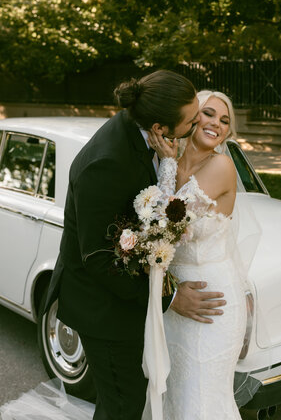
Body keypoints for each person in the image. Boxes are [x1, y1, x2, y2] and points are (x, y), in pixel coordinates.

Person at [0, 71, 227, 420]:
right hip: (103, 309)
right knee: (124, 405)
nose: (199, 124)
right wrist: (171, 297)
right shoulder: (107, 163)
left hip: (126, 302)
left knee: (120, 403)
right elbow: (101, 259)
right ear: (159, 127)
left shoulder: (143, 134)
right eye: (192, 120)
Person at [146, 89, 247, 420]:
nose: (215, 123)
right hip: (174, 297)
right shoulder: (165, 160)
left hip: (211, 302)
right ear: (190, 117)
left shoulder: (221, 166)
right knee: (175, 393)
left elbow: (167, 217)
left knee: (200, 400)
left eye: (224, 120)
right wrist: (168, 161)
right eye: (208, 113)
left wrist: (168, 163)